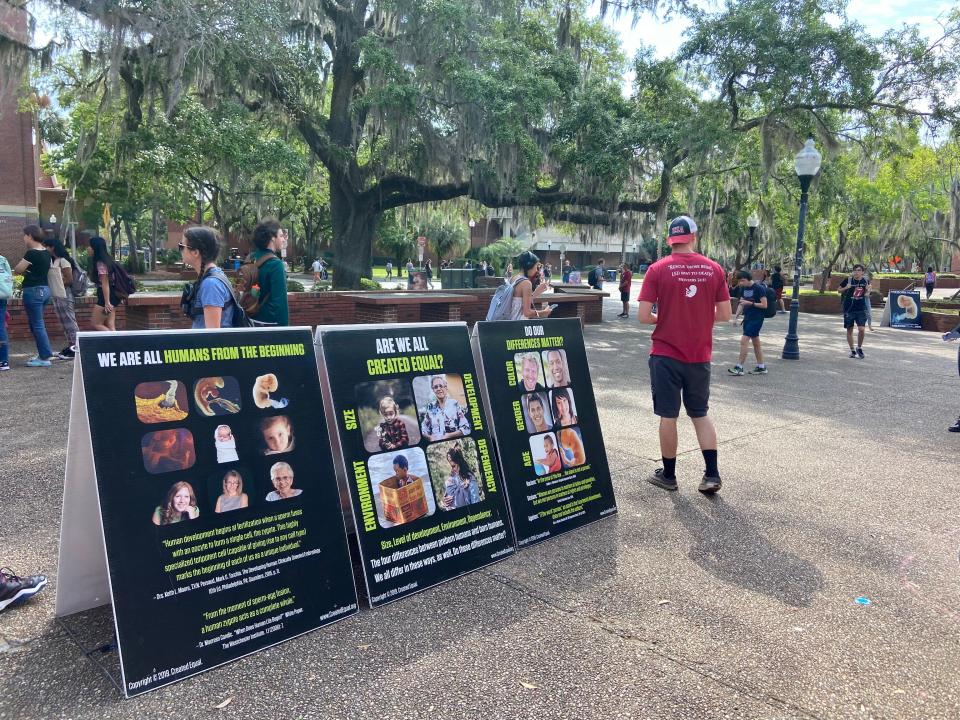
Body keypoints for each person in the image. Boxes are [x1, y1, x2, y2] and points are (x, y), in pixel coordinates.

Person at [638, 215, 731, 494]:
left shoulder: (657, 269)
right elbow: (725, 314)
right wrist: (699, 316)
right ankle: (711, 474)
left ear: (670, 239)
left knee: (669, 416)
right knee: (700, 414)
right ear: (694, 236)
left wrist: (663, 316)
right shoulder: (714, 269)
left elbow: (644, 316)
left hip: (666, 354)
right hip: (699, 355)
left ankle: (668, 476)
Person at [12, 225, 54, 366]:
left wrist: (25, 271)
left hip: (33, 291)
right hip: (45, 290)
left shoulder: (31, 253)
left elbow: (18, 270)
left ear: (30, 236)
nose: (23, 238)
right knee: (36, 324)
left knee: (37, 325)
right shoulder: (47, 253)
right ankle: (43, 353)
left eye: (24, 235)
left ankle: (45, 357)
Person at [181, 226, 235, 329]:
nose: (180, 250)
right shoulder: (211, 277)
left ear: (195, 252)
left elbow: (212, 336)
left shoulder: (211, 284)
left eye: (182, 246)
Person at [42, 236, 80, 359]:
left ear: (52, 247)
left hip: (64, 294)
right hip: (57, 294)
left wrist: (58, 285)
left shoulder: (63, 260)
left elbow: (69, 279)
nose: (44, 248)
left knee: (69, 322)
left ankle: (77, 347)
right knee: (64, 323)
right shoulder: (54, 260)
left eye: (46, 246)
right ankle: (71, 346)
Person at [248, 220, 289, 326]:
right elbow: (280, 302)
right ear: (272, 238)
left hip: (250, 318)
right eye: (280, 236)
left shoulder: (251, 258)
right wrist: (285, 329)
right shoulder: (275, 264)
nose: (283, 239)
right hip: (270, 323)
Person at [728, 270, 768, 376]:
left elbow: (764, 305)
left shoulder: (759, 288)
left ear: (748, 279)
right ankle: (761, 367)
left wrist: (750, 303)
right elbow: (741, 304)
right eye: (739, 281)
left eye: (743, 280)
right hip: (748, 318)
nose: (741, 283)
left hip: (757, 318)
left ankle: (739, 367)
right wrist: (735, 317)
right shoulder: (743, 288)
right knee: (756, 343)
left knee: (744, 340)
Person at [420, 375, 471, 441]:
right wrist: (429, 437)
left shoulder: (454, 404)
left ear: (446, 388)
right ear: (433, 390)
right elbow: (423, 429)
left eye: (441, 386)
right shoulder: (430, 407)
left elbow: (466, 428)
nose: (438, 389)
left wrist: (450, 435)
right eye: (435, 387)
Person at [508, 251, 553, 321]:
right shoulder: (526, 283)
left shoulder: (513, 278)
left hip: (509, 322)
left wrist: (535, 293)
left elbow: (518, 303)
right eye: (536, 266)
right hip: (519, 325)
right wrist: (544, 313)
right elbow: (527, 313)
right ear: (529, 266)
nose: (536, 270)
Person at [838, 264, 871, 359]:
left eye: (859, 270)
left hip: (861, 309)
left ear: (862, 272)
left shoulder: (865, 281)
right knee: (850, 330)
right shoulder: (848, 280)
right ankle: (852, 350)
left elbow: (867, 295)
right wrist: (846, 288)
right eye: (855, 270)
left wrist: (868, 291)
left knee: (861, 329)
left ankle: (859, 348)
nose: (856, 272)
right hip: (849, 309)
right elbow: (838, 290)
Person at [88, 235, 119, 332]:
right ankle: (116, 346)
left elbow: (105, 283)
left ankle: (120, 345)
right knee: (110, 325)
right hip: (113, 295)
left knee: (96, 324)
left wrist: (107, 302)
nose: (88, 248)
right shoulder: (108, 260)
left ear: (95, 248)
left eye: (90, 246)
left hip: (106, 296)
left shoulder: (101, 263)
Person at [441, 444, 480, 509]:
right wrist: (443, 502)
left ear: (459, 462)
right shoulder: (452, 477)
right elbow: (447, 496)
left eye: (454, 466)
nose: (453, 469)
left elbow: (476, 502)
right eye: (451, 466)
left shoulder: (470, 478)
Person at [0, 253, 13, 371]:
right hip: (3, 295)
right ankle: (3, 360)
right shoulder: (3, 259)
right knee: (1, 326)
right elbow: (10, 277)